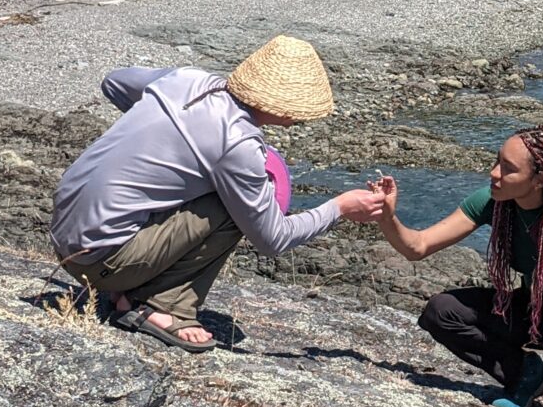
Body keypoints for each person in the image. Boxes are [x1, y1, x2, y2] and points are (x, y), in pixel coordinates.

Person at [50, 36, 386, 352]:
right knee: (234, 206)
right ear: (287, 111)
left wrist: (167, 140)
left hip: (64, 234)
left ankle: (133, 291)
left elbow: (113, 81)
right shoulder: (239, 144)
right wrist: (339, 207)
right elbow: (272, 240)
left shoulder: (188, 80)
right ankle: (158, 306)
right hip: (100, 262)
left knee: (212, 188)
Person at [371, 126, 543, 407]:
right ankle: (525, 375)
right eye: (497, 161)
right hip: (529, 305)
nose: (494, 173)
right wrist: (387, 217)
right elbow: (418, 247)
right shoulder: (494, 200)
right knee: (441, 312)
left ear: (541, 179)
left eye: (508, 169)